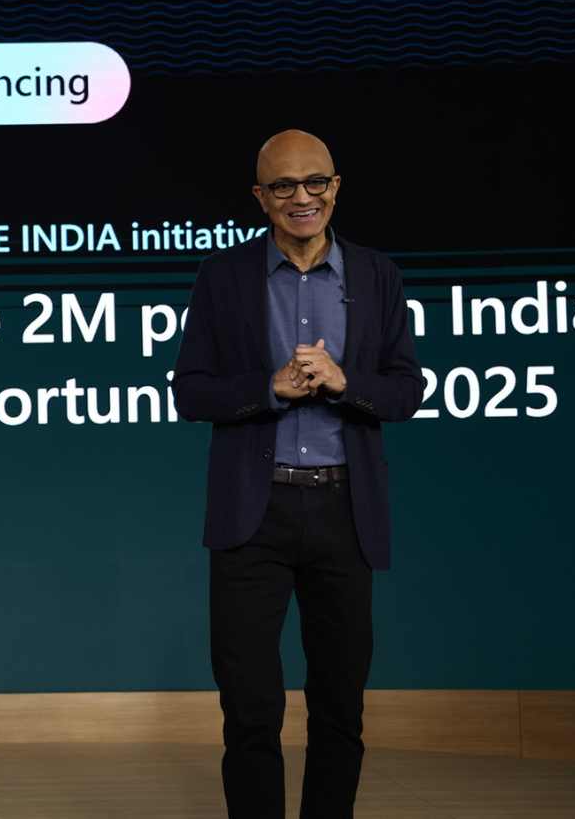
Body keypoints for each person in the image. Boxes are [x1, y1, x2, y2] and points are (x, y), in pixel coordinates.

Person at [173, 129, 422, 819]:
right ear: (261, 197)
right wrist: (271, 388)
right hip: (252, 517)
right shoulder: (222, 276)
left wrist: (345, 382)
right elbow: (190, 391)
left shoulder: (377, 274)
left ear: (335, 188)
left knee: (340, 708)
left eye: (316, 182)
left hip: (346, 511)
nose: (301, 197)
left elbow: (406, 391)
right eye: (283, 185)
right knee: (249, 709)